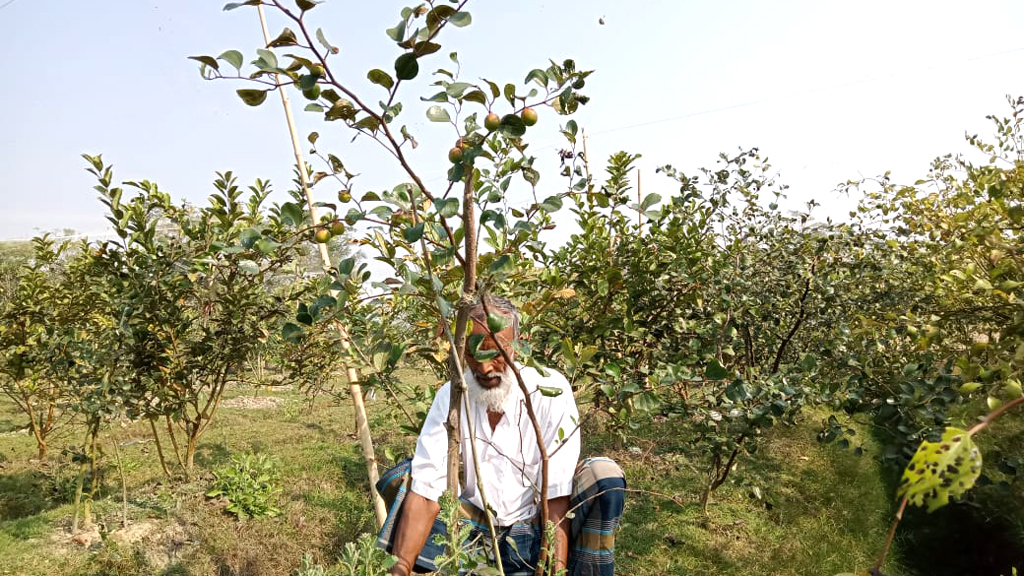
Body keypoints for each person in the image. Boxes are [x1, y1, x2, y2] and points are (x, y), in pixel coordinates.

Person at [376, 295, 626, 576]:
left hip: (533, 530)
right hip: (472, 531)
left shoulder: (549, 391)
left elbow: (555, 497)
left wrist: (552, 570)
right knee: (406, 477)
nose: (484, 368)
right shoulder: (451, 397)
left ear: (519, 344)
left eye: (496, 353)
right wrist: (401, 568)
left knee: (603, 476)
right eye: (473, 354)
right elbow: (426, 492)